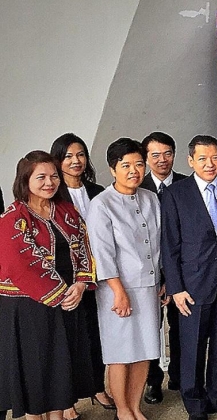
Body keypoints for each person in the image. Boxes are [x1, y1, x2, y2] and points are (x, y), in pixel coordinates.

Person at [160, 135, 217, 420]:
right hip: (192, 286)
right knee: (192, 348)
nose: (210, 163)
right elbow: (169, 245)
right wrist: (175, 288)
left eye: (215, 157)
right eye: (202, 158)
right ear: (190, 161)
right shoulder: (175, 194)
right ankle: (195, 404)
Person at [0, 151, 97, 420]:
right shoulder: (13, 217)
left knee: (59, 377)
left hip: (67, 304)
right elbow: (19, 264)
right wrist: (60, 293)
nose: (49, 182)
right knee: (36, 375)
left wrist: (80, 284)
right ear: (25, 180)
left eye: (54, 176)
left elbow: (83, 248)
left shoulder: (66, 210)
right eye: (40, 176)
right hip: (29, 308)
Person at [85, 138, 164, 420]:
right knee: (120, 352)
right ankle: (121, 409)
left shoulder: (150, 198)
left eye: (139, 164)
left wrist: (162, 278)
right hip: (117, 288)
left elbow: (158, 244)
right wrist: (118, 291)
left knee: (145, 348)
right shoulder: (102, 204)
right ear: (112, 169)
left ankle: (134, 406)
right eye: (126, 165)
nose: (134, 170)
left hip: (149, 286)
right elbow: (102, 253)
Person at [50, 133, 116, 417]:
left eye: (79, 155)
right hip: (67, 279)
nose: (75, 161)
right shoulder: (52, 194)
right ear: (57, 160)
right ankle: (67, 402)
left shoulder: (98, 190)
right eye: (68, 156)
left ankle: (97, 387)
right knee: (70, 339)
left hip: (99, 275)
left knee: (97, 333)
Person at [139, 131, 188, 403]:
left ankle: (180, 377)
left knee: (182, 327)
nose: (162, 160)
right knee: (151, 330)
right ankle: (153, 381)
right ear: (146, 158)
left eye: (167, 153)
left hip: (182, 273)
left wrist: (173, 277)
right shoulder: (137, 187)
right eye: (155, 155)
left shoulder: (187, 184)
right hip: (148, 275)